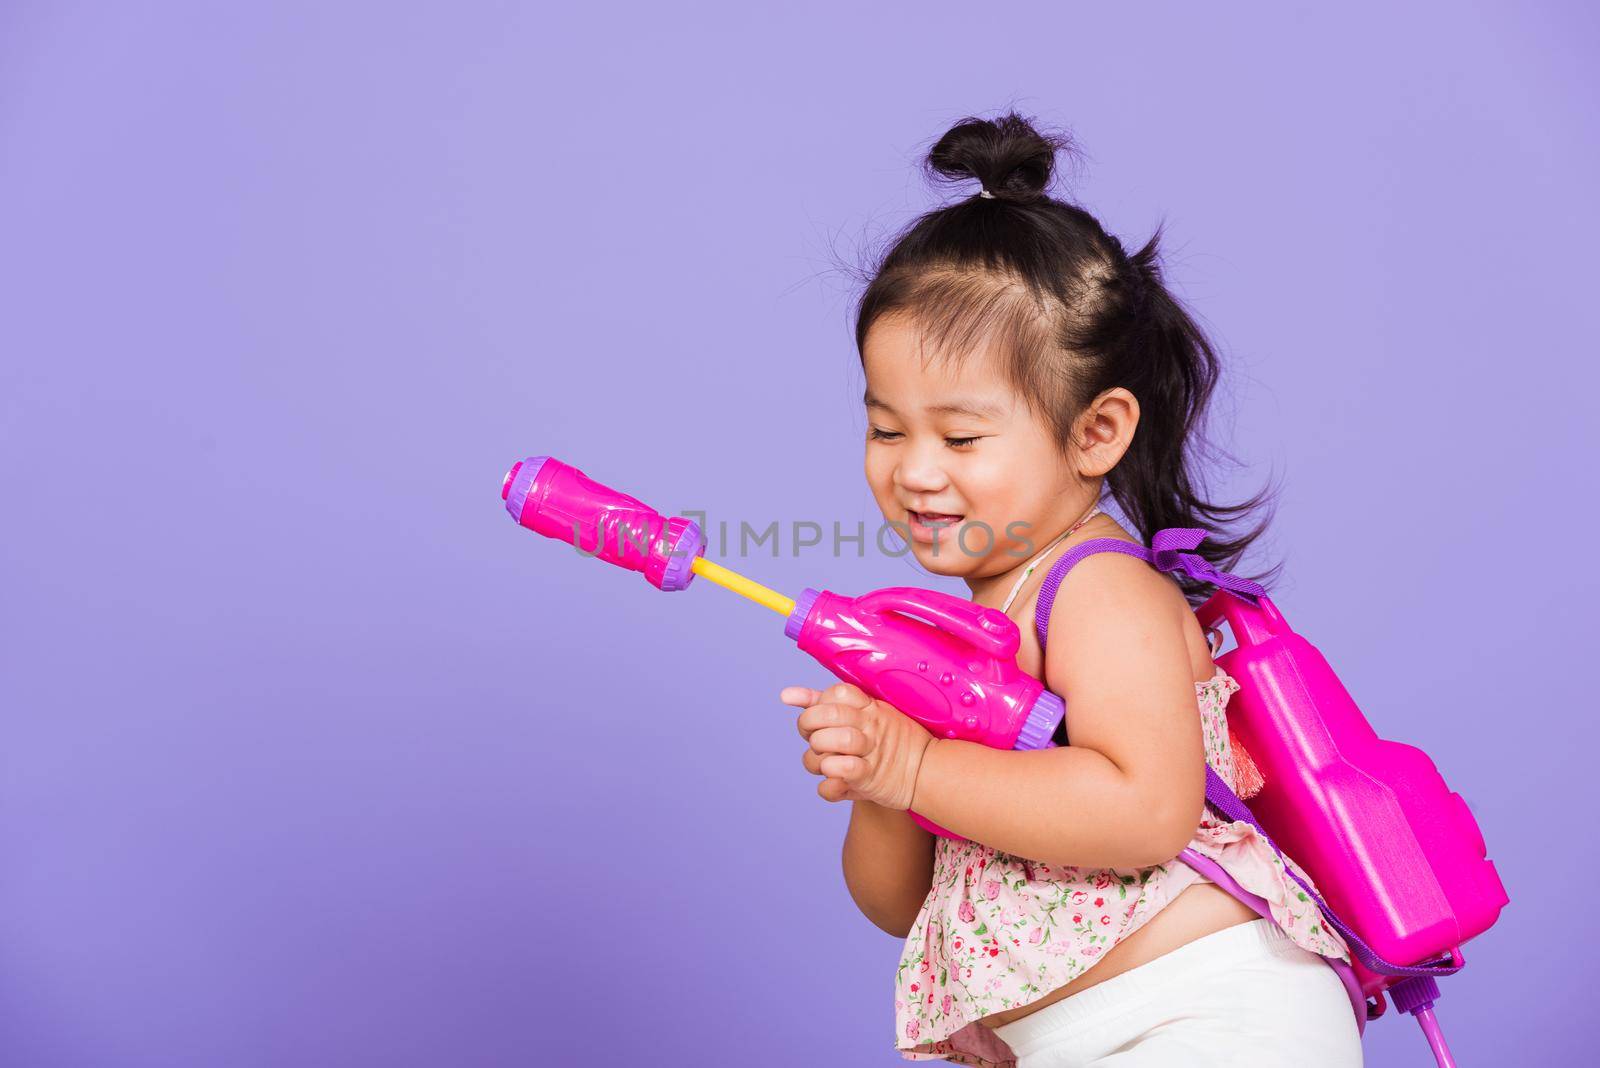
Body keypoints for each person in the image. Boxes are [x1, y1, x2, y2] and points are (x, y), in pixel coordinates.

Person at [778, 113, 1362, 1068]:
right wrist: (881, 776)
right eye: (888, 431)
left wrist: (917, 769)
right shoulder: (966, 629)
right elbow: (897, 906)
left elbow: (1143, 813)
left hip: (1207, 1021)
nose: (916, 472)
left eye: (961, 439)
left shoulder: (1098, 591)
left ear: (1096, 433)